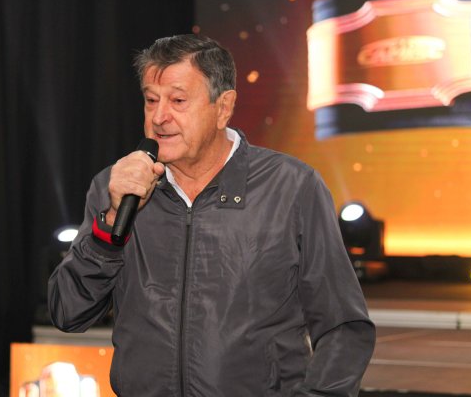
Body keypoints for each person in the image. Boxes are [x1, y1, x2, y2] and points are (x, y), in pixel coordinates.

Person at [48, 34, 375, 397]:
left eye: (178, 101)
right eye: (151, 100)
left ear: (223, 108)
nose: (159, 117)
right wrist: (110, 223)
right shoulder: (117, 187)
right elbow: (68, 313)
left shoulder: (291, 187)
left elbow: (344, 327)